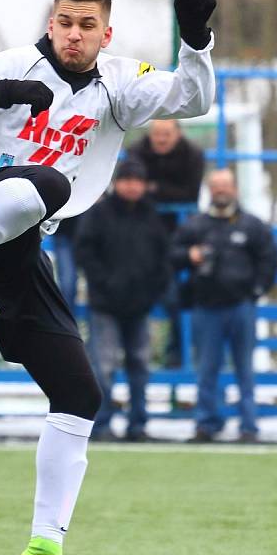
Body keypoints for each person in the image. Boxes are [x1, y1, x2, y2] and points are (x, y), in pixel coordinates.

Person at [0, 0, 217, 555]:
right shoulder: (12, 65)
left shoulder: (119, 82)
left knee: (80, 393)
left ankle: (42, 550)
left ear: (105, 31)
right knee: (39, 184)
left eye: (87, 25)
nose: (74, 35)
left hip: (21, 247)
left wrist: (195, 41)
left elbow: (191, 101)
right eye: (65, 21)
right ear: (51, 20)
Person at [172, 168, 277, 443]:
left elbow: (269, 260)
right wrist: (189, 255)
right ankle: (206, 424)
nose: (220, 191)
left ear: (235, 189)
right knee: (207, 369)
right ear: (209, 189)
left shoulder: (252, 225)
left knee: (245, 369)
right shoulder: (196, 225)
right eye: (215, 186)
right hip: (206, 308)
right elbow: (172, 254)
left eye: (225, 186)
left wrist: (255, 291)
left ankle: (248, 426)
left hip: (241, 307)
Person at [75, 159, 170, 441]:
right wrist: (104, 284)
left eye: (137, 180)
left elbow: (163, 259)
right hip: (105, 305)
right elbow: (85, 254)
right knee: (103, 368)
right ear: (117, 182)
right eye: (127, 180)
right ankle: (102, 424)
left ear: (143, 184)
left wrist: (152, 291)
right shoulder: (98, 214)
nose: (132, 186)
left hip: (140, 305)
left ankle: (138, 424)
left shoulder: (152, 216)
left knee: (140, 367)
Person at [129, 118, 205, 366]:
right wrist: (159, 191)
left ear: (178, 134)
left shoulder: (193, 154)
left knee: (179, 299)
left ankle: (176, 355)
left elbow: (190, 194)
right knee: (131, 295)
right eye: (157, 134)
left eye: (166, 135)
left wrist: (153, 189)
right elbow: (131, 191)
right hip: (142, 233)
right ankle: (134, 356)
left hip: (179, 235)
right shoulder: (137, 151)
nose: (161, 140)